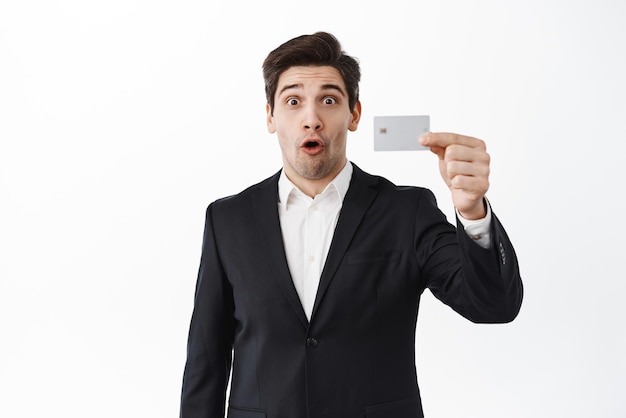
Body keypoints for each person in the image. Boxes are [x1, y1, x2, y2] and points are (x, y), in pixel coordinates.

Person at [179, 31, 523, 418]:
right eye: (293, 101)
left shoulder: (406, 210)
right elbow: (206, 361)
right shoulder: (228, 219)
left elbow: (493, 306)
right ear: (270, 117)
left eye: (329, 100)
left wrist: (473, 211)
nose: (312, 119)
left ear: (354, 114)